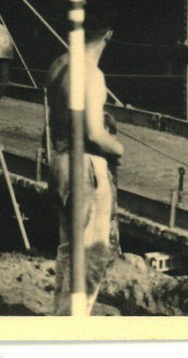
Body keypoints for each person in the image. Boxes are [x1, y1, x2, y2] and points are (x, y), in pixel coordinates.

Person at [46, 25, 123, 315]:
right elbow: (93, 132)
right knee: (92, 255)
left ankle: (61, 316)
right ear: (107, 34)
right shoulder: (91, 73)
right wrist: (118, 147)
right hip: (86, 168)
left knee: (67, 251)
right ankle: (74, 325)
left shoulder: (58, 65)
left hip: (60, 163)